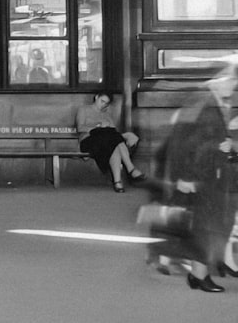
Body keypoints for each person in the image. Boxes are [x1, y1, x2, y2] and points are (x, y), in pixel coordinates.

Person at [160, 67, 238, 292]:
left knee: (208, 225)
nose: (233, 87)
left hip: (210, 174)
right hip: (200, 176)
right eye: (231, 82)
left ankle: (198, 275)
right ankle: (199, 276)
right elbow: (183, 144)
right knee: (207, 225)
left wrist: (226, 147)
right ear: (217, 81)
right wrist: (184, 178)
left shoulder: (211, 102)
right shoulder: (202, 104)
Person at [75, 91, 143, 193]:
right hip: (88, 141)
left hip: (106, 142)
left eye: (106, 103)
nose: (103, 104)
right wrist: (98, 125)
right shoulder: (84, 109)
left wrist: (111, 128)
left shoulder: (106, 113)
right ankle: (131, 169)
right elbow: (80, 128)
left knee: (114, 144)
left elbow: (113, 132)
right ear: (96, 97)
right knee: (114, 141)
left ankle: (117, 182)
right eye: (102, 101)